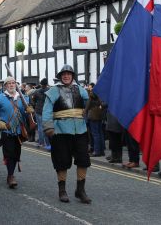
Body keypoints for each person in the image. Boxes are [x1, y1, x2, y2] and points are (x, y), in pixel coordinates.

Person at [42, 65, 91, 204]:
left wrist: (94, 97)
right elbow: (46, 110)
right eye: (63, 74)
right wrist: (48, 127)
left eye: (68, 74)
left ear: (72, 76)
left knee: (83, 160)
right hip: (60, 132)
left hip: (80, 131)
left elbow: (88, 105)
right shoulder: (53, 91)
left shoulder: (81, 90)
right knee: (62, 161)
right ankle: (62, 190)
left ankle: (80, 190)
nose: (66, 76)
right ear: (60, 76)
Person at [0, 76, 33, 188]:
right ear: (5, 86)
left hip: (19, 131)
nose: (11, 85)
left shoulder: (24, 98)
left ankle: (11, 174)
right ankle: (11, 176)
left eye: (13, 83)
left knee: (16, 154)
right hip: (6, 130)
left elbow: (26, 115)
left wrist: (29, 111)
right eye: (9, 83)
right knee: (9, 153)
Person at [84, 86, 105, 157]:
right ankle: (101, 151)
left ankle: (96, 151)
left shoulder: (92, 94)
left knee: (95, 134)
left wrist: (84, 112)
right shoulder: (101, 94)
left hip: (93, 116)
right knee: (100, 133)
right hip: (99, 115)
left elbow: (87, 106)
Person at [31, 78, 50, 149]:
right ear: (47, 83)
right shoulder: (50, 91)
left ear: (41, 84)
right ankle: (47, 143)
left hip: (38, 110)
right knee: (46, 127)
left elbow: (33, 100)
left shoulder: (37, 91)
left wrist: (35, 105)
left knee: (40, 127)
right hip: (47, 111)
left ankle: (41, 142)